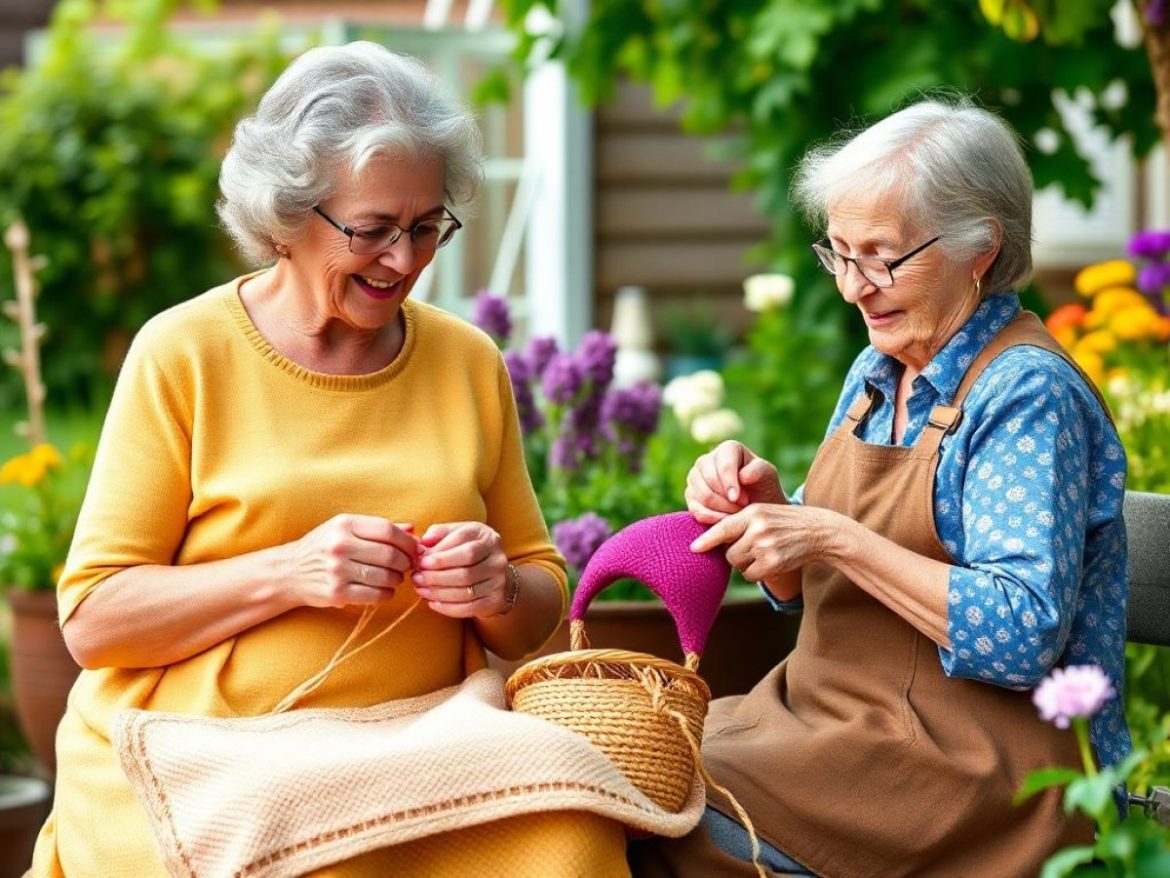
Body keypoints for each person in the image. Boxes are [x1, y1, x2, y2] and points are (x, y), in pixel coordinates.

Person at [30, 42, 629, 876]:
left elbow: (538, 603)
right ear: (285, 215)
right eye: (375, 230)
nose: (406, 260)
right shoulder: (183, 353)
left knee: (575, 838)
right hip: (211, 745)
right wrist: (288, 571)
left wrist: (496, 588)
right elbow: (95, 619)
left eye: (427, 228)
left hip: (427, 738)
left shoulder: (466, 360)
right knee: (314, 855)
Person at [631, 97, 1129, 877]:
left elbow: (1022, 632)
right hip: (828, 726)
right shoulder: (879, 372)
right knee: (614, 760)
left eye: (882, 256)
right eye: (838, 254)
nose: (855, 288)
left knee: (645, 810)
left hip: (973, 768)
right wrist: (771, 517)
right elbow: (811, 594)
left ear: (979, 250)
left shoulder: (1026, 393)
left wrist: (830, 533)